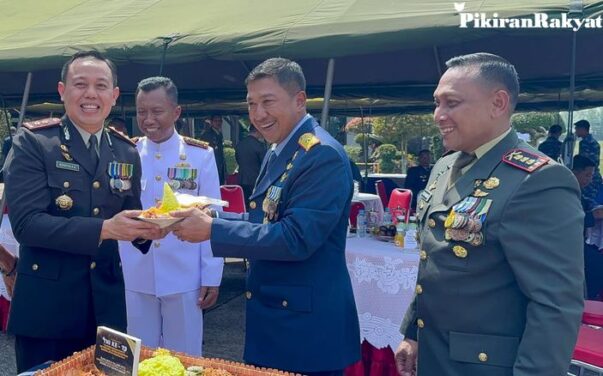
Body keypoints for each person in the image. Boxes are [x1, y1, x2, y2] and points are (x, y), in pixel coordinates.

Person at [395, 53, 584, 376]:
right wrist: (413, 332)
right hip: (438, 357)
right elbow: (435, 261)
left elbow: (555, 305)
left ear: (498, 103)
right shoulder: (444, 166)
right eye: (436, 103)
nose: (438, 115)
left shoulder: (537, 179)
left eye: (451, 103)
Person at [171, 58, 360, 374]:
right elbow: (265, 220)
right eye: (251, 104)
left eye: (268, 102)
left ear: (299, 100)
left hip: (304, 332)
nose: (258, 115)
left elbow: (295, 238)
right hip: (280, 319)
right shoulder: (281, 149)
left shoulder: (320, 154)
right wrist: (208, 217)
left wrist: (212, 230)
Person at [3, 51, 162, 373]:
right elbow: (27, 224)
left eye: (101, 86)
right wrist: (106, 229)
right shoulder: (34, 143)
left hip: (107, 306)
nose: (91, 94)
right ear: (63, 91)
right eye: (81, 85)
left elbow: (129, 215)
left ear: (114, 96)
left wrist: (157, 226)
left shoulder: (125, 150)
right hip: (49, 309)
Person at [119, 76, 223, 356]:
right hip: (136, 269)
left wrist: (211, 274)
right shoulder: (126, 153)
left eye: (157, 111)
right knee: (141, 356)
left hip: (184, 271)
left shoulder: (199, 155)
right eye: (141, 112)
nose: (148, 119)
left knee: (186, 356)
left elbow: (214, 216)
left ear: (176, 112)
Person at [572, 154, 603, 300]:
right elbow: (569, 221)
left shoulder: (577, 190)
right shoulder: (564, 192)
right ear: (574, 172)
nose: (589, 180)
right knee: (597, 266)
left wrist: (595, 209)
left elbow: (587, 202)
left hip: (581, 242)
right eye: (586, 175)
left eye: (591, 176)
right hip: (570, 246)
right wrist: (593, 216)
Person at [235, 123, 266, 207]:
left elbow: (238, 159)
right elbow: (264, 164)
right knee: (255, 205)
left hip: (242, 179)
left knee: (244, 204)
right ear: (258, 131)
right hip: (256, 180)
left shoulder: (240, 144)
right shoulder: (259, 146)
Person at [575, 119, 602, 206]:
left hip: (588, 177)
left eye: (577, 129)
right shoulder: (592, 142)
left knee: (589, 202)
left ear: (583, 129)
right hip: (592, 176)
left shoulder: (586, 143)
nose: (576, 131)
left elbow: (586, 163)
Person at [199, 115, 227, 184]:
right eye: (216, 121)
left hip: (219, 166)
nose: (218, 123)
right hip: (211, 166)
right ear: (211, 122)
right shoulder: (207, 135)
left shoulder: (219, 134)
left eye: (220, 121)